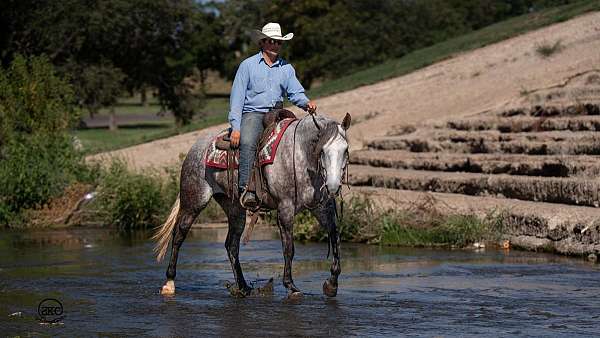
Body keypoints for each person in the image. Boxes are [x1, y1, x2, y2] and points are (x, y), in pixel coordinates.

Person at [228, 22, 317, 208]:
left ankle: (295, 186)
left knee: (295, 140)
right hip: (253, 113)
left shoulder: (286, 68)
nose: (275, 45)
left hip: (277, 113)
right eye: (271, 41)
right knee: (248, 141)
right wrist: (236, 128)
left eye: (278, 42)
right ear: (262, 42)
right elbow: (236, 99)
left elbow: (295, 92)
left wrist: (306, 103)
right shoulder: (247, 66)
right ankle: (247, 189)